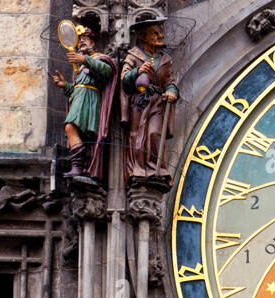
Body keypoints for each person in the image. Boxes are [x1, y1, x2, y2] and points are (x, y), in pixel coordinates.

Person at [49, 26, 116, 180]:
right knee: (74, 130)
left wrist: (85, 59)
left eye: (84, 41)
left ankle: (78, 166)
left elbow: (107, 71)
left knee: (70, 127)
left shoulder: (100, 59)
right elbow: (76, 89)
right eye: (79, 43)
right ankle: (80, 166)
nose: (81, 44)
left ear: (93, 42)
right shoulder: (82, 67)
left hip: (89, 100)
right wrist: (65, 86)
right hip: (79, 99)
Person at [121, 18, 178, 182]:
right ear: (143, 36)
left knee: (154, 132)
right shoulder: (133, 56)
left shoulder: (165, 59)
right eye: (155, 33)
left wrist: (172, 91)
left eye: (161, 32)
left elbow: (171, 81)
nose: (161, 36)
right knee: (137, 135)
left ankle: (155, 168)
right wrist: (137, 71)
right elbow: (124, 79)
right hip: (139, 102)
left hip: (158, 102)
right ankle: (137, 169)